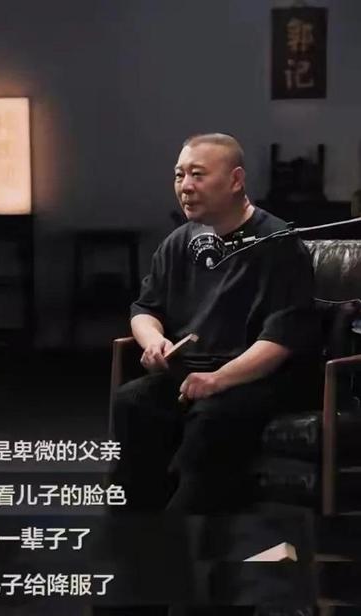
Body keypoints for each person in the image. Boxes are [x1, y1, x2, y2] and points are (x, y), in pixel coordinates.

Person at [111, 133, 319, 514]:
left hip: (257, 378)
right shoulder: (179, 243)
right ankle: (134, 525)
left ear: (236, 180)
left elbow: (281, 339)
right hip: (192, 374)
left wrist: (219, 379)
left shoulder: (278, 243)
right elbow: (144, 308)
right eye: (179, 175)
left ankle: (186, 529)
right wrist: (153, 341)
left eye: (198, 174)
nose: (185, 186)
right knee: (133, 401)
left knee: (212, 416)